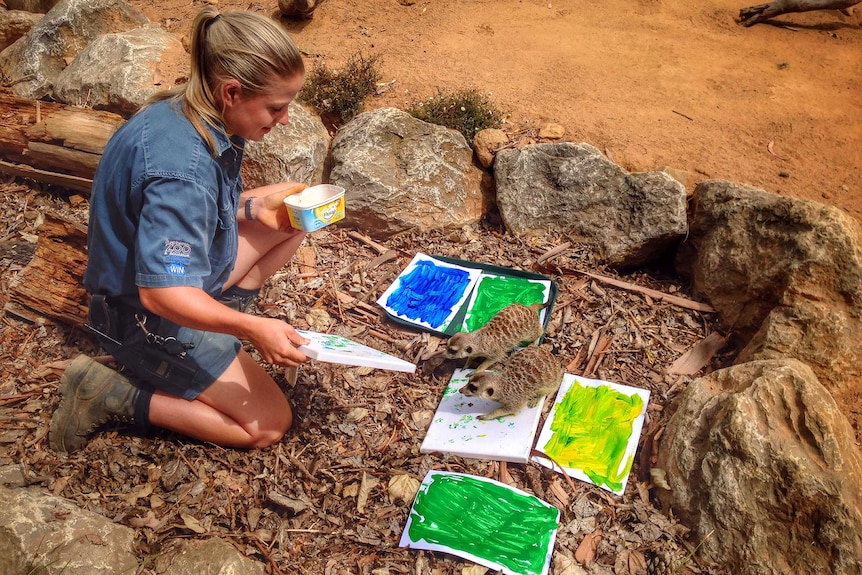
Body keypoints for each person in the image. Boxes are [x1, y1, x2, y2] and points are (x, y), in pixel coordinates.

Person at [49, 7, 312, 453]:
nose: (284, 118)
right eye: (276, 107)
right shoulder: (181, 173)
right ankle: (110, 392)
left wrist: (253, 208)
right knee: (267, 424)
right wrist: (252, 327)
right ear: (232, 91)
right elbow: (160, 295)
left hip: (170, 279)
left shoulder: (192, 110)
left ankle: (216, 319)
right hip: (138, 315)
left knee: (293, 208)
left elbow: (196, 211)